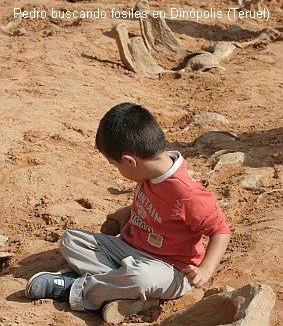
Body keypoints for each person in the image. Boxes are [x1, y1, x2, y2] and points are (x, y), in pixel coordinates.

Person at [25, 102, 231, 323]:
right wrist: (127, 213)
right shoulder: (149, 174)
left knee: (139, 278)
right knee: (71, 239)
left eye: (115, 165)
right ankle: (119, 291)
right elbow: (156, 209)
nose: (117, 170)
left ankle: (74, 289)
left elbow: (221, 230)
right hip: (131, 250)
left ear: (129, 161)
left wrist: (206, 270)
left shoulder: (188, 193)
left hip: (170, 269)